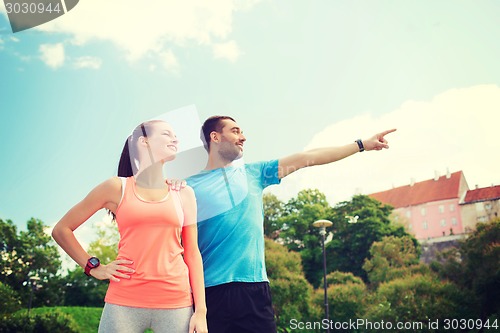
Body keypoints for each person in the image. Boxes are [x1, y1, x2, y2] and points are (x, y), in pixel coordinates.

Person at [185, 115, 396, 333]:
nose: (243, 137)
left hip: (254, 289)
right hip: (208, 294)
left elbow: (308, 157)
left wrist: (361, 145)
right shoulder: (187, 187)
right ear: (215, 136)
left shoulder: (255, 173)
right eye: (236, 131)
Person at [52, 120, 208, 333]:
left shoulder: (184, 193)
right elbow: (62, 230)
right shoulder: (116, 187)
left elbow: (192, 253)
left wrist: (201, 311)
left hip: (176, 302)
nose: (175, 138)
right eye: (166, 134)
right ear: (144, 142)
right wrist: (94, 267)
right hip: (123, 302)